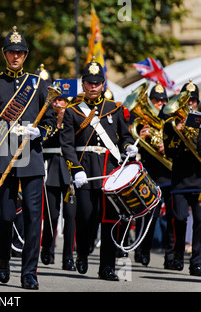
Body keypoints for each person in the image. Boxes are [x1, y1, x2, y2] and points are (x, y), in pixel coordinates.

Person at [0, 26, 57, 289]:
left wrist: (40, 132)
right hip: (4, 159)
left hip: (32, 158)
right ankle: (3, 259)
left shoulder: (37, 84)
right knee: (5, 215)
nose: (16, 57)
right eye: (11, 52)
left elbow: (50, 121)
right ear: (4, 54)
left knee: (35, 217)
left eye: (20, 53)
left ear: (26, 55)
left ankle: (29, 273)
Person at [60, 58, 137, 281]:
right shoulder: (73, 112)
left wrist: (128, 146)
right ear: (83, 85)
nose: (93, 87)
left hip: (110, 172)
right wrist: (76, 170)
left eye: (97, 83)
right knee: (85, 217)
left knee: (110, 220)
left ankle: (107, 267)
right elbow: (67, 145)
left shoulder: (115, 109)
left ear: (103, 84)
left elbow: (124, 136)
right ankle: (82, 252)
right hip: (86, 172)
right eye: (89, 83)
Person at [131, 82, 174, 267]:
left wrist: (168, 145)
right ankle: (143, 250)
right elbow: (136, 148)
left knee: (173, 217)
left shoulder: (170, 121)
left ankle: (171, 257)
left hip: (169, 174)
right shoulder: (142, 122)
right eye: (156, 100)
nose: (160, 103)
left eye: (163, 100)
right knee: (149, 216)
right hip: (151, 174)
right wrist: (140, 136)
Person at [163, 80, 201, 276]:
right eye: (187, 100)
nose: (190, 104)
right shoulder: (170, 125)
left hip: (199, 179)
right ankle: (177, 256)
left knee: (200, 221)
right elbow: (169, 151)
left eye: (193, 101)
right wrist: (179, 132)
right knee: (179, 218)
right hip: (179, 180)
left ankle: (197, 262)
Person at [41, 93, 76, 271]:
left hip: (70, 171)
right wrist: (57, 123)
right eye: (55, 100)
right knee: (51, 215)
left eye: (61, 100)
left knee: (70, 216)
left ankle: (68, 257)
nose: (57, 103)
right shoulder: (47, 118)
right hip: (52, 168)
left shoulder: (74, 118)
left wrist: (65, 120)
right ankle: (47, 249)